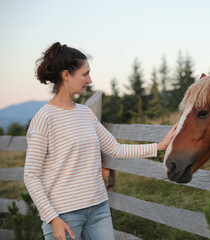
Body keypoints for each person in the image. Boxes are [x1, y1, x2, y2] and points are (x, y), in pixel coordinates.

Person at [24, 42, 178, 240]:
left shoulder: (86, 113)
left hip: (98, 210)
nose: (89, 79)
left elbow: (116, 149)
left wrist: (160, 146)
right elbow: (31, 175)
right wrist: (53, 218)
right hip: (64, 215)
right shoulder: (44, 118)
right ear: (66, 75)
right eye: (85, 74)